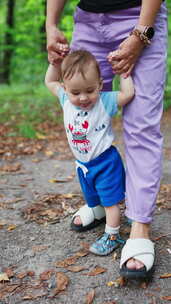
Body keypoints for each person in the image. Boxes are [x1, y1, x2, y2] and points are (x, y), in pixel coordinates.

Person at [46, 0, 168, 279]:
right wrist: (51, 24)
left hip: (139, 16)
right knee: (83, 111)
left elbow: (126, 96)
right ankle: (99, 203)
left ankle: (139, 225)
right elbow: (56, 85)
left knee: (141, 128)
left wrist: (141, 32)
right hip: (87, 19)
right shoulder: (65, 91)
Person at [45, 49, 135, 256]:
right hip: (84, 165)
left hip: (105, 163)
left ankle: (113, 235)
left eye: (90, 90)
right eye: (76, 92)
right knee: (94, 197)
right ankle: (101, 214)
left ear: (100, 84)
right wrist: (54, 63)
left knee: (111, 202)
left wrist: (124, 74)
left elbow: (127, 94)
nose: (84, 97)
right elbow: (50, 82)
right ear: (65, 88)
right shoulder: (65, 100)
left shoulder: (104, 102)